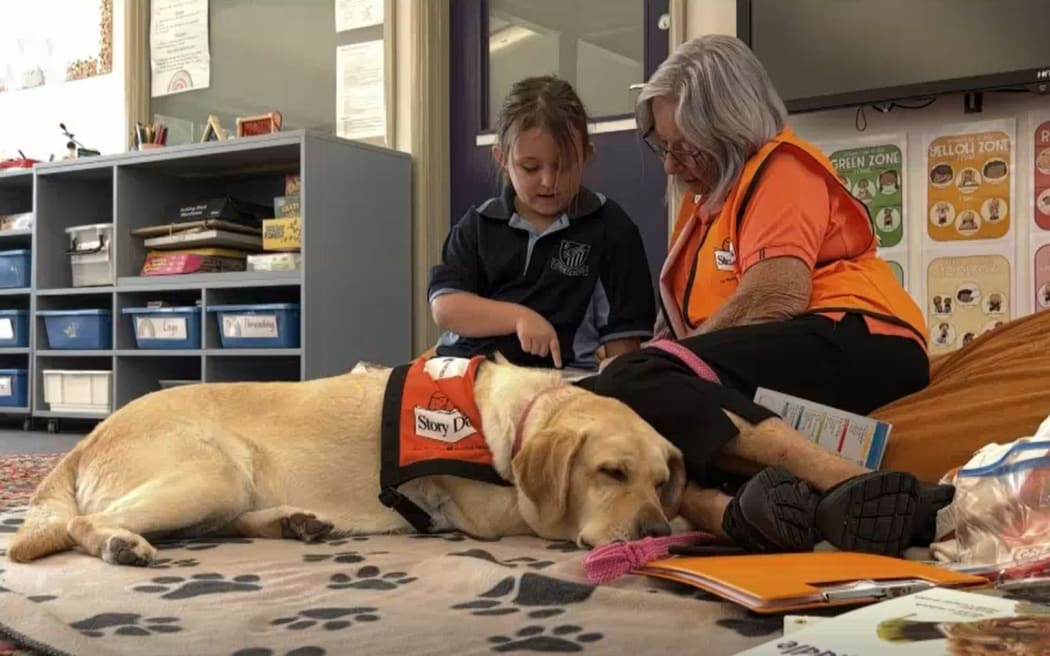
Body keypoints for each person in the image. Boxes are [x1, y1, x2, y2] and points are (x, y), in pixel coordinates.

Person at [577, 35, 948, 556]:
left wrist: (667, 369)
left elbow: (777, 293)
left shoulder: (782, 166)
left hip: (861, 336)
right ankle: (745, 514)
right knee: (615, 398)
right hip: (790, 352)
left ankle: (840, 477)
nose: (670, 165)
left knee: (637, 378)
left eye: (685, 147)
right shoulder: (706, 206)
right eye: (663, 146)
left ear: (732, 126)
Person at [428, 76, 655, 371]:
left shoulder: (611, 228)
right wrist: (521, 318)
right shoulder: (477, 224)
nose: (548, 181)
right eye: (530, 167)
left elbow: (623, 349)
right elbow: (446, 309)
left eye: (563, 166)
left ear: (586, 155)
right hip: (466, 372)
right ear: (501, 158)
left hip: (557, 383)